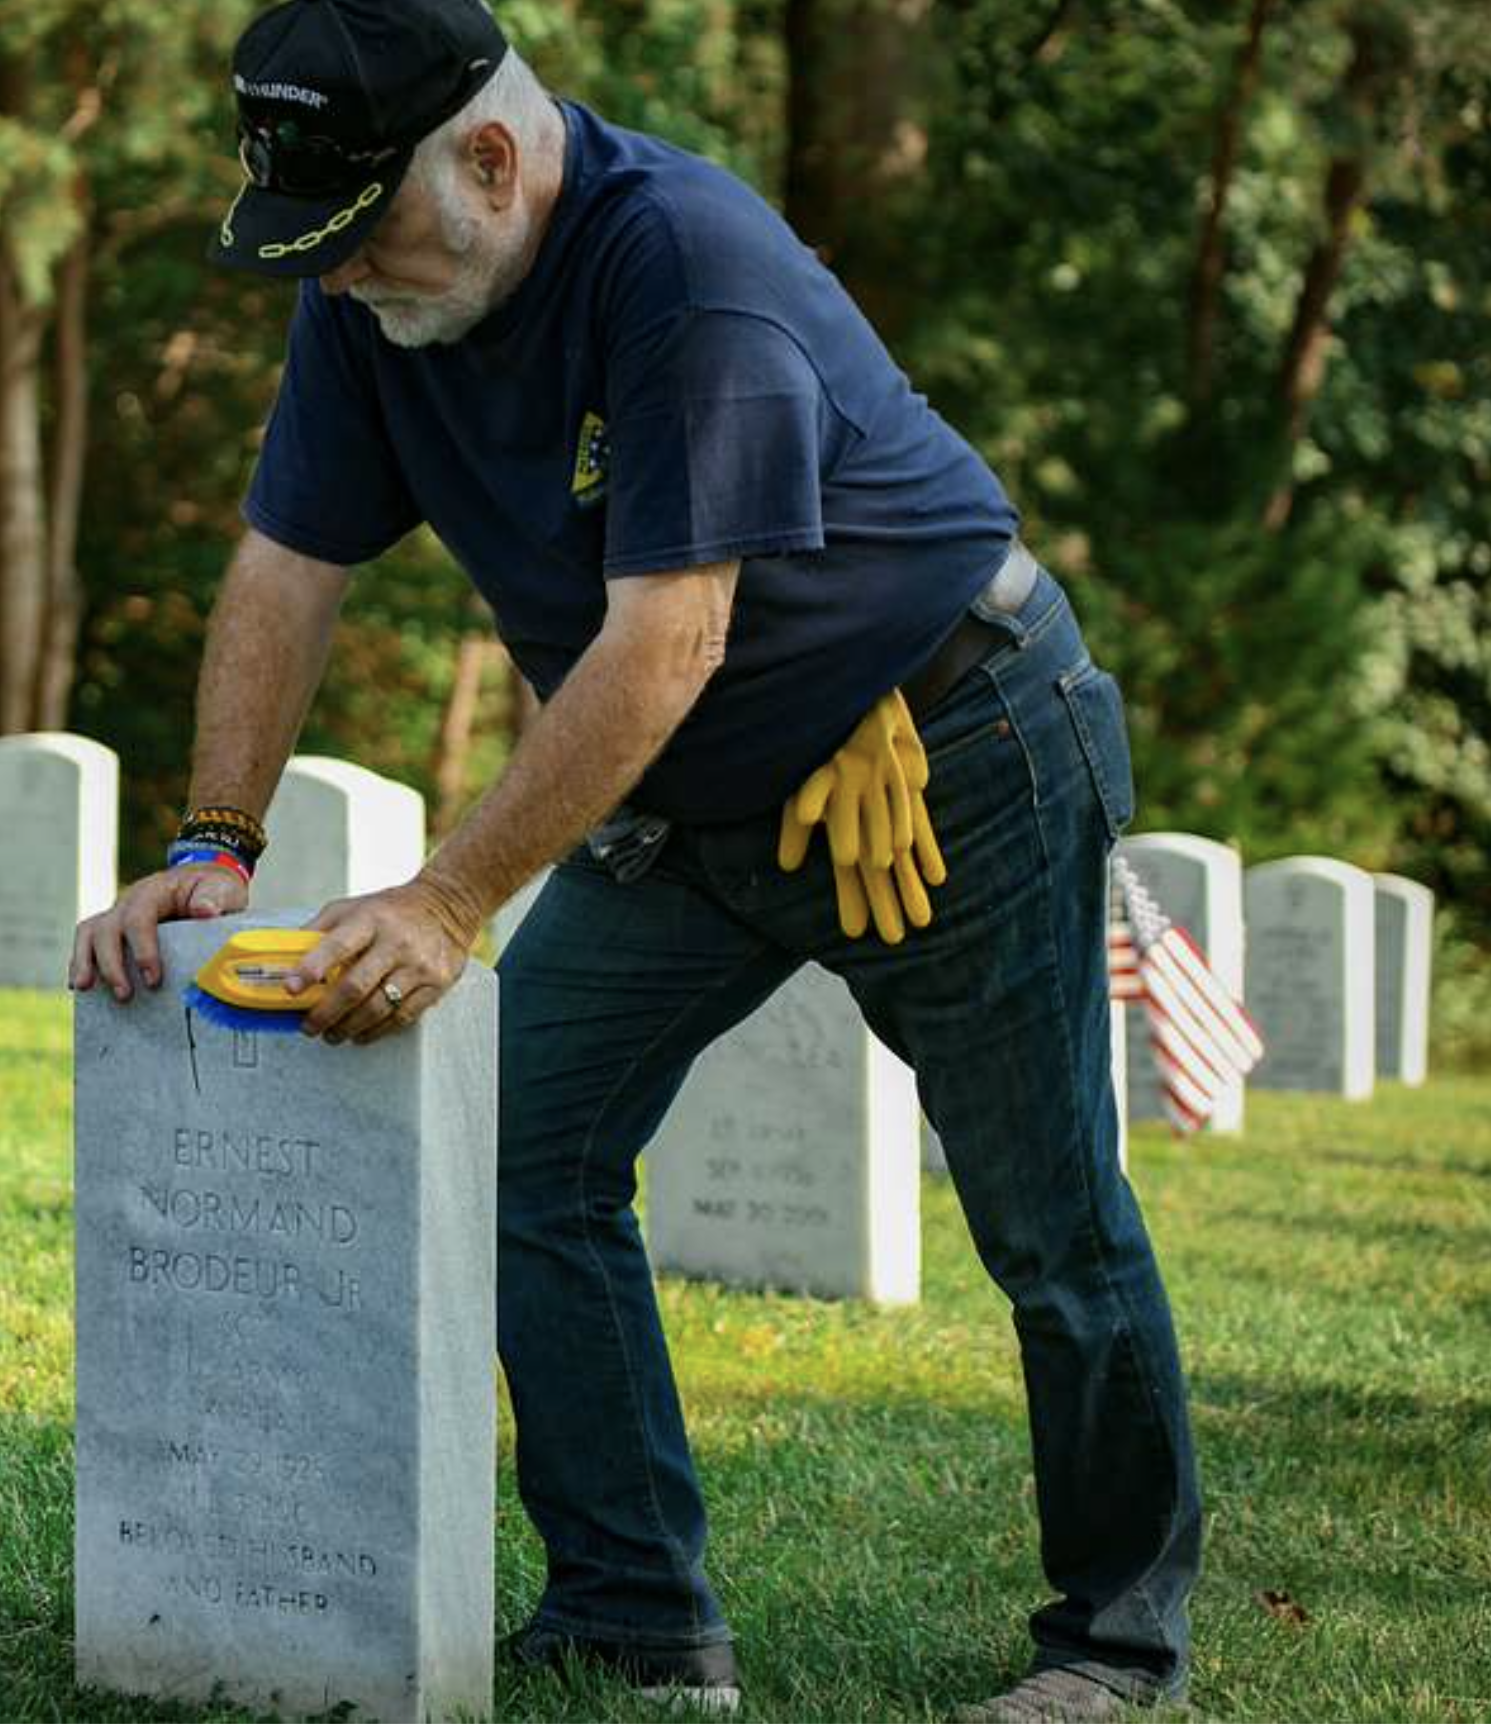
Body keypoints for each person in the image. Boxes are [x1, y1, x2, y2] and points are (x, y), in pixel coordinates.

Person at [70, 1, 1202, 1718]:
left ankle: (1115, 1644)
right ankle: (632, 1612)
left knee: (1045, 1219)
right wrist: (216, 842)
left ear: (495, 158)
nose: (348, 282)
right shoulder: (364, 294)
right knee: (524, 1153)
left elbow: (669, 634)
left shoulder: (681, 262)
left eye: (365, 235)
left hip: (959, 748)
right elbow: (288, 564)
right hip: (682, 803)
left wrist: (450, 902)